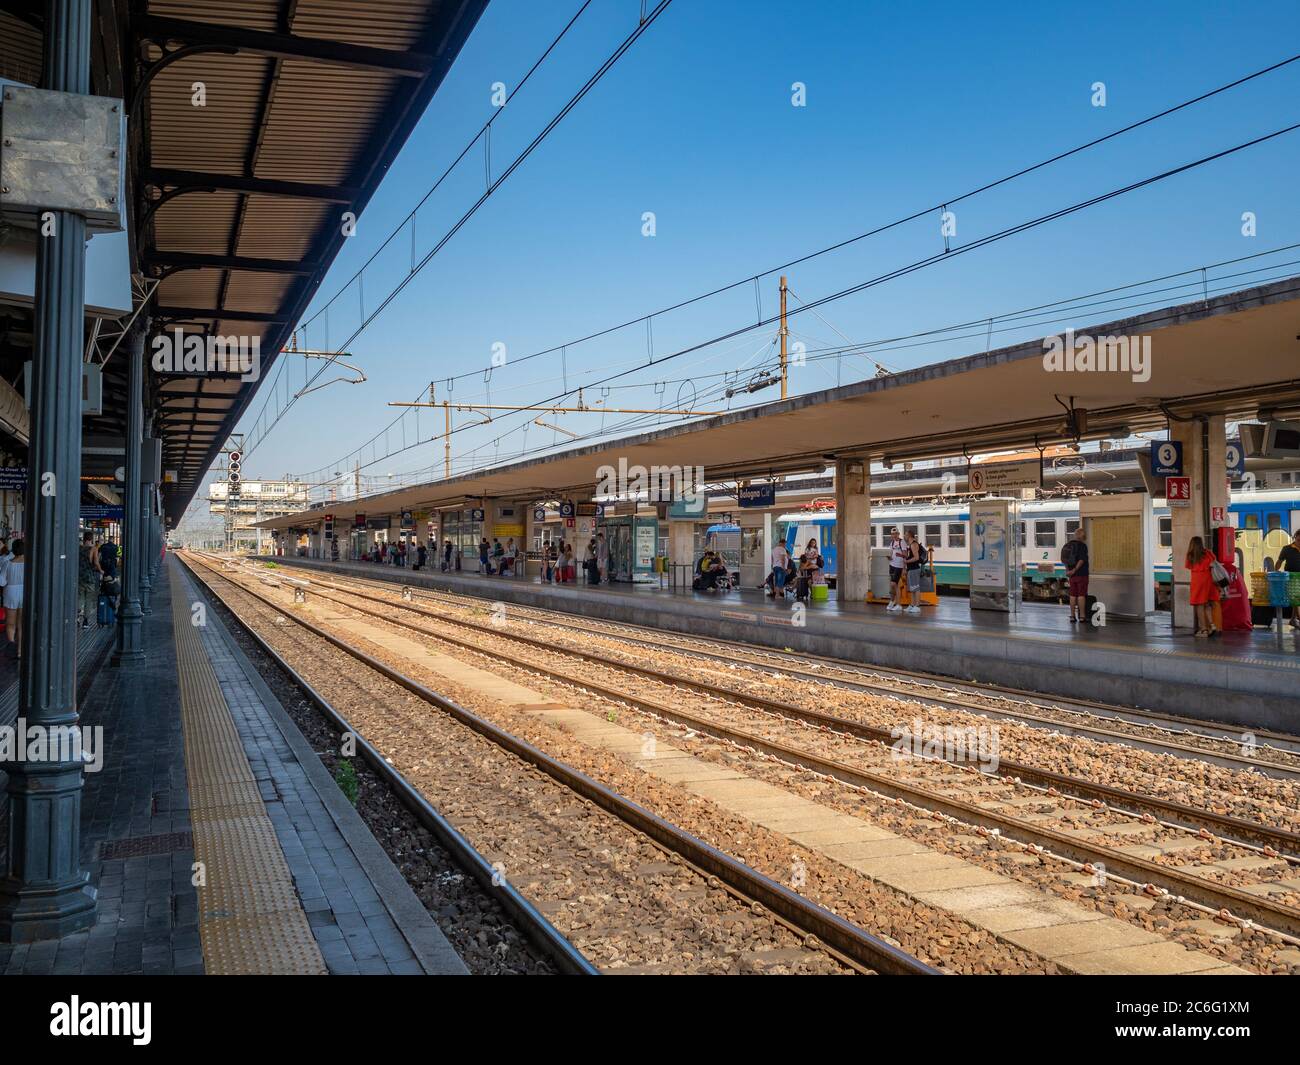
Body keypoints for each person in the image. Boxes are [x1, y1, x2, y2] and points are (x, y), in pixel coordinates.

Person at [1185, 535, 1221, 638]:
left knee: (1199, 605)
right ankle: (1212, 625)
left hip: (1198, 580)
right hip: (1209, 580)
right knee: (1208, 604)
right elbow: (1214, 561)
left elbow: (1188, 566)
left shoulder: (1190, 555)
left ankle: (1204, 629)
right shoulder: (1208, 553)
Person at [1061, 526, 1090, 623]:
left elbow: (1064, 560)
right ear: (1083, 536)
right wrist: (1075, 570)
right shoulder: (1082, 546)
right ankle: (1082, 616)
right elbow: (1082, 560)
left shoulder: (1068, 545)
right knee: (1081, 595)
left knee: (1073, 595)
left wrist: (1068, 571)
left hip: (1071, 576)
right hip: (1081, 574)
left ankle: (1072, 616)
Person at [1, 539, 24, 659]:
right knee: (21, 624)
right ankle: (20, 651)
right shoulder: (29, 563)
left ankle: (11, 646)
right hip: (25, 592)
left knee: (10, 624)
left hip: (11, 592)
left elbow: (1, 581)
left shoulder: (7, 563)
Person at [1278, 529, 1300, 629]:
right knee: (1296, 597)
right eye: (1299, 539)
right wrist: (1275, 571)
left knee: (1297, 598)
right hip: (1291, 577)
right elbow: (1279, 561)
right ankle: (1296, 619)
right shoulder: (1287, 549)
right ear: (1295, 538)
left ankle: (1293, 619)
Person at [78, 532, 99, 630]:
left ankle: (77, 617)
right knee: (88, 599)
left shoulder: (79, 548)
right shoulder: (93, 549)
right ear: (91, 539)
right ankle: (85, 621)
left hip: (80, 576)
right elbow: (96, 562)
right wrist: (101, 570)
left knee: (80, 597)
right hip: (89, 577)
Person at [903, 530, 925, 614]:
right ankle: (912, 605)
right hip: (911, 569)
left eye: (905, 535)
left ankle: (917, 606)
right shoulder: (911, 545)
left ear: (909, 535)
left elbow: (916, 558)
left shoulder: (913, 544)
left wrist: (906, 562)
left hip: (914, 568)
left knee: (916, 587)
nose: (904, 536)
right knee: (912, 588)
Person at [886, 527, 907, 612]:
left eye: (896, 534)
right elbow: (892, 554)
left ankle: (895, 602)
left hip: (899, 566)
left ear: (898, 534)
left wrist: (905, 568)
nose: (894, 535)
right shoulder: (892, 543)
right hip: (892, 565)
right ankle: (895, 603)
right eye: (893, 534)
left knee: (893, 584)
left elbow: (905, 555)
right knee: (895, 585)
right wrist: (889, 558)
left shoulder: (902, 542)